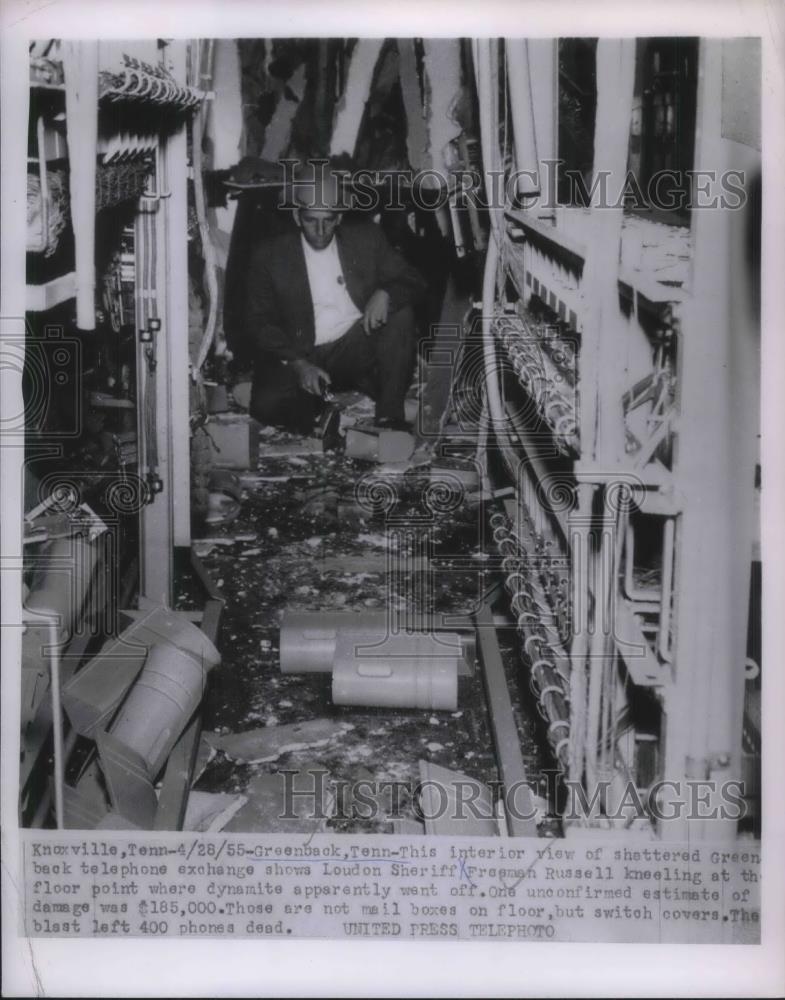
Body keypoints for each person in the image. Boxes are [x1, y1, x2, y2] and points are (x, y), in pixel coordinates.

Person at [239, 164, 427, 439]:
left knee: (400, 312)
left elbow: (414, 280)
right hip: (301, 352)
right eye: (310, 220)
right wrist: (299, 364)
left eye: (328, 220)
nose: (319, 229)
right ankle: (320, 406)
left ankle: (389, 417)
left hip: (353, 345)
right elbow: (258, 322)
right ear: (296, 216)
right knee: (266, 406)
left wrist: (386, 292)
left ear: (339, 217)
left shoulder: (366, 239)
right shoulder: (269, 255)